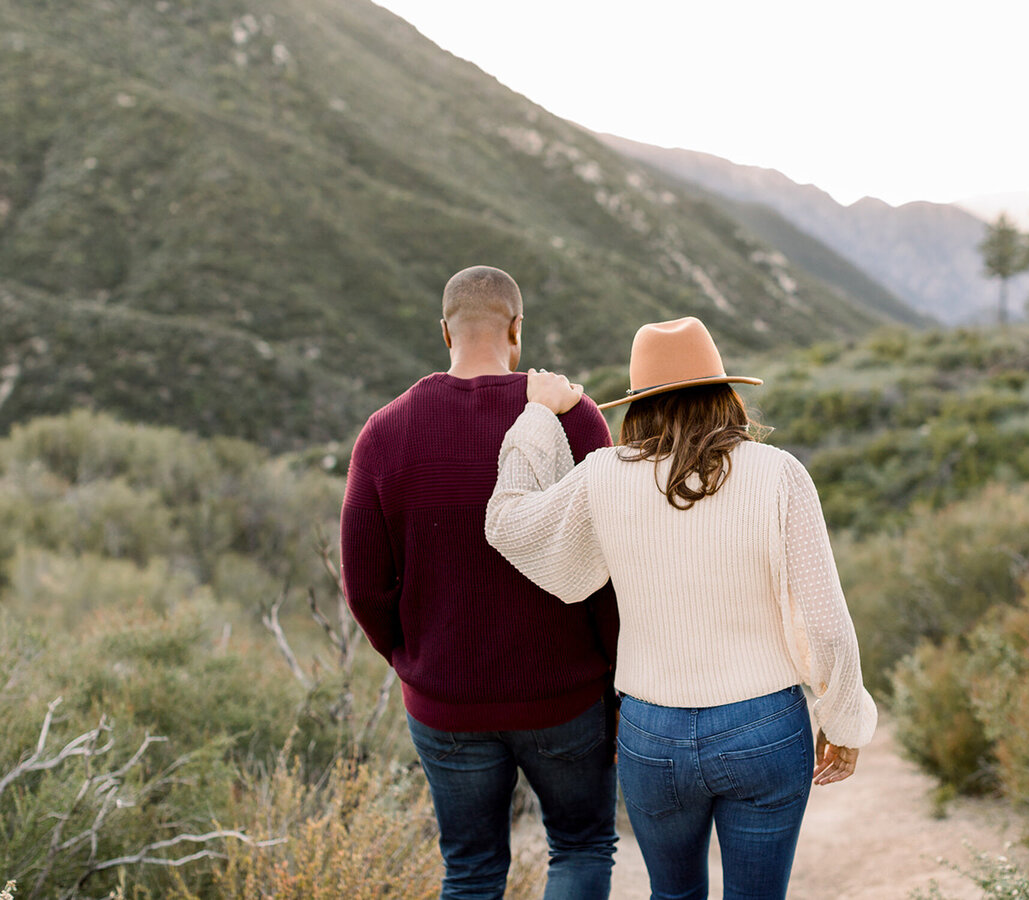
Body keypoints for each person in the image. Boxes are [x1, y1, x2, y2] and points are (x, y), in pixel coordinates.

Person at [485, 316, 877, 900]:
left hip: (653, 730)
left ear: (639, 405)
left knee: (672, 896)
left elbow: (509, 522)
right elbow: (826, 623)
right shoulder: (779, 474)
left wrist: (538, 417)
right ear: (725, 393)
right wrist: (845, 721)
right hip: (765, 726)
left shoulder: (603, 479)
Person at [339, 265, 620, 900]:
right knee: (580, 848)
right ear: (517, 329)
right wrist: (614, 678)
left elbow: (364, 588)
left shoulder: (384, 433)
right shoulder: (574, 420)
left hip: (446, 702)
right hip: (565, 694)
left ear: (445, 332)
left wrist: (415, 661)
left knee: (470, 873)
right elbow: (608, 573)